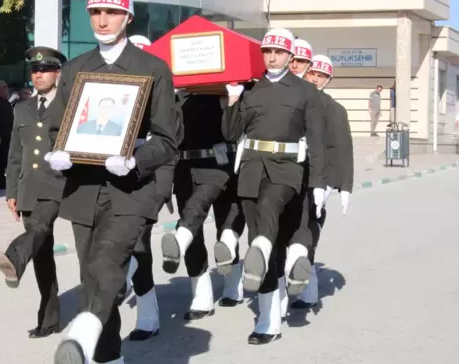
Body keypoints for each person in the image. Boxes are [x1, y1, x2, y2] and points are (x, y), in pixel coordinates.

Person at [46, 0, 178, 364]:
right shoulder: (74, 69)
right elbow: (58, 127)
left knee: (107, 265)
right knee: (94, 279)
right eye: (96, 12)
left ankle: (82, 339)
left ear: (128, 17)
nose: (102, 20)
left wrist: (137, 160)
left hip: (131, 189)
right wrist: (60, 152)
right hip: (84, 191)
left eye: (112, 12)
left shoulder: (152, 68)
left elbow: (168, 138)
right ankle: (108, 358)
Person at [222, 27, 326, 344]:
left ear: (290, 56)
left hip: (287, 172)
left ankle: (261, 251)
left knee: (268, 214)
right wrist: (232, 98)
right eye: (268, 51)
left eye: (279, 52)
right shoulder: (251, 90)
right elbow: (230, 133)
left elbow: (318, 143)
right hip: (252, 169)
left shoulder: (305, 92)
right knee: (262, 243)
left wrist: (320, 185)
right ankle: (268, 320)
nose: (273, 57)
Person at [0, 46, 68, 338]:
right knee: (43, 255)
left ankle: (13, 257)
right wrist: (11, 191)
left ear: (57, 73)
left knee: (38, 229)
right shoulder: (21, 108)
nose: (39, 75)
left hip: (57, 183)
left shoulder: (67, 104)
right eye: (35, 71)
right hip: (28, 188)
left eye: (45, 70)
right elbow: (15, 154)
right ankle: (49, 320)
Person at [116, 34, 182, 342]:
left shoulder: (164, 97)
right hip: (116, 174)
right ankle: (147, 313)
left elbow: (168, 145)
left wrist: (162, 188)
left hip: (151, 176)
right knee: (134, 246)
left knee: (137, 240)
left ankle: (127, 292)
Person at [160, 91, 245, 320]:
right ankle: (201, 296)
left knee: (222, 223)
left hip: (219, 163)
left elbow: (233, 130)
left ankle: (233, 284)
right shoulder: (172, 95)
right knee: (194, 228)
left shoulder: (220, 89)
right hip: (184, 168)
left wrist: (231, 97)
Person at [290, 54, 354, 309]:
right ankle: (302, 284)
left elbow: (343, 148)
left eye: (322, 76)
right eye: (312, 73)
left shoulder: (335, 109)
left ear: (328, 80)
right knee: (297, 225)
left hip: (323, 177)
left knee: (309, 222)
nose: (315, 79)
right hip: (295, 174)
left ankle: (308, 289)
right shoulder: (295, 100)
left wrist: (342, 185)